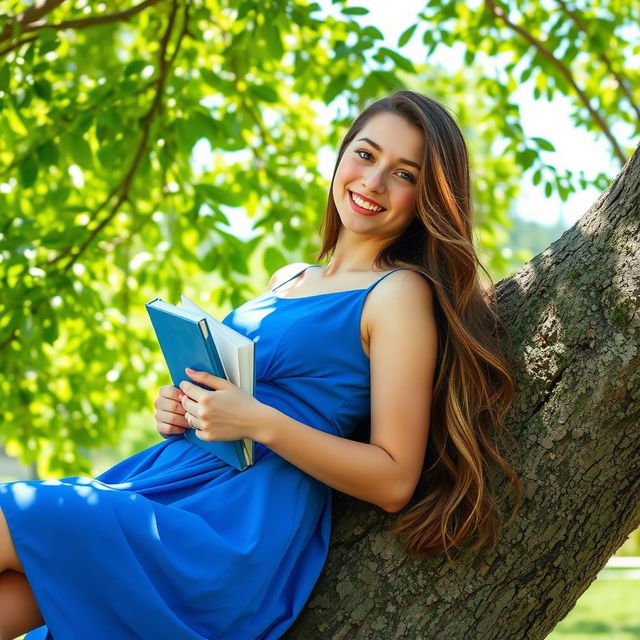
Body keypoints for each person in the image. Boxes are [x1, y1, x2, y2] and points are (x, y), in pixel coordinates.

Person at [0, 90, 521, 639]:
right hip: (170, 480)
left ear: (427, 198)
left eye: (405, 174)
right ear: (343, 155)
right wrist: (186, 408)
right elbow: (243, 391)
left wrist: (255, 421)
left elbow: (393, 477)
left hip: (233, 523)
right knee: (25, 590)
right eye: (366, 155)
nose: (373, 182)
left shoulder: (398, 294)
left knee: (17, 514)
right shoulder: (288, 276)